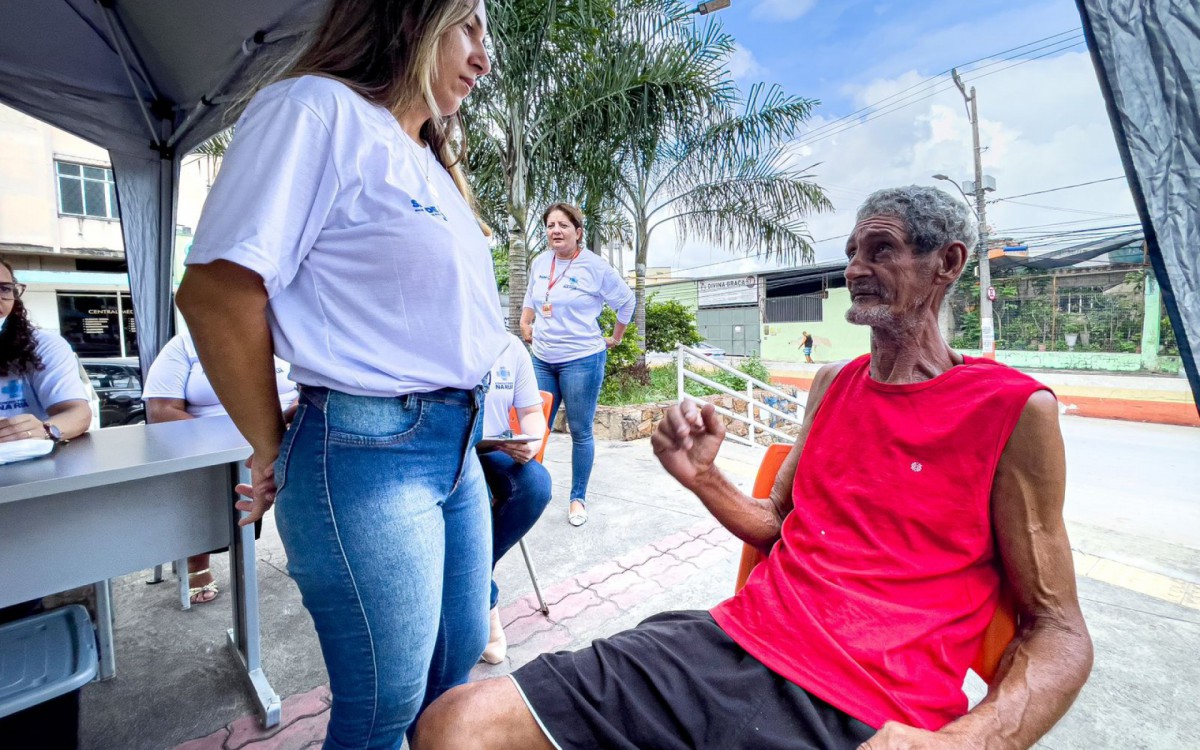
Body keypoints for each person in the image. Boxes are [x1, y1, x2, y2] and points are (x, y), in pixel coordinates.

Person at [413, 186, 1094, 750]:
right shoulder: (834, 384)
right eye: (852, 252)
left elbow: (1059, 629)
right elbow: (779, 525)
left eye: (880, 249)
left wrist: (969, 741)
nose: (856, 268)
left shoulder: (1012, 410)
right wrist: (701, 476)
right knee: (454, 725)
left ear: (947, 263)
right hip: (732, 641)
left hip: (862, 705)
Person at [174, 1, 504, 747]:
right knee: (382, 712)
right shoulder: (315, 110)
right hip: (369, 452)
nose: (484, 56)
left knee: (448, 687)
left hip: (458, 448)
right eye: (470, 26)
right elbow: (218, 292)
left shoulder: (427, 158)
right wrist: (269, 447)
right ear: (412, 16)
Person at [0, 260, 93, 749]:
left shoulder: (38, 345)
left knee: (21, 611)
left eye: (5, 289)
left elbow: (78, 412)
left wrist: (49, 428)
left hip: (26, 510)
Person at [142, 331, 298, 604]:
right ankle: (197, 564)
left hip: (285, 437)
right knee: (204, 483)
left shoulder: (286, 336)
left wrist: (275, 431)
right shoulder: (184, 344)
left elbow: (311, 393)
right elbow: (161, 409)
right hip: (207, 447)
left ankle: (307, 554)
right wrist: (228, 441)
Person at [519, 203, 635, 527]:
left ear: (578, 232)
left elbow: (626, 300)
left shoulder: (594, 267)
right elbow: (532, 296)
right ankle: (527, 494)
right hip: (542, 358)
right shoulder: (541, 263)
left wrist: (617, 336)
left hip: (581, 360)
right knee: (535, 427)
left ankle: (577, 498)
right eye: (551, 225)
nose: (556, 230)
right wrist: (526, 321)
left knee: (580, 431)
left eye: (564, 225)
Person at [477, 333, 553, 664]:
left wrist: (531, 444)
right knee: (467, 495)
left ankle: (473, 576)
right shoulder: (439, 335)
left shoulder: (509, 346)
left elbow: (532, 413)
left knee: (536, 483)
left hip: (494, 450)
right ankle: (483, 596)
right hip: (446, 453)